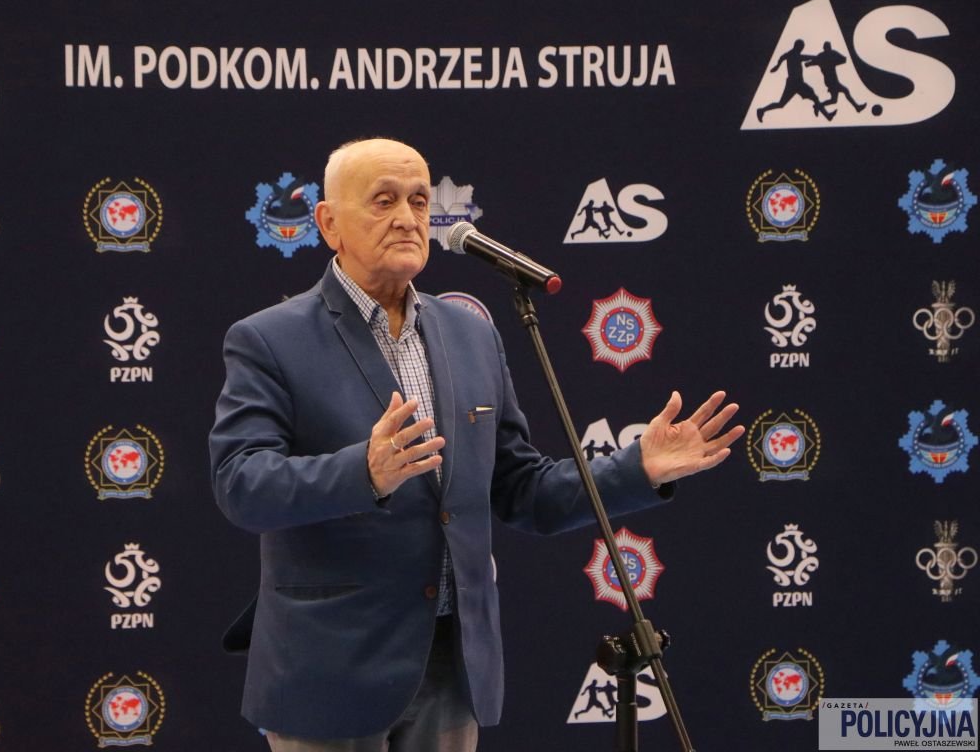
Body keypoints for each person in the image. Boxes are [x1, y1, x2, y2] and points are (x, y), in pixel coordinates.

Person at [209, 138, 744, 751]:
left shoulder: (471, 333)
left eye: (418, 200)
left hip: (453, 663)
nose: (407, 218)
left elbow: (523, 489)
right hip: (330, 668)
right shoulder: (269, 340)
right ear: (329, 223)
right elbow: (240, 484)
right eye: (383, 201)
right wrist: (365, 472)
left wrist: (638, 468)